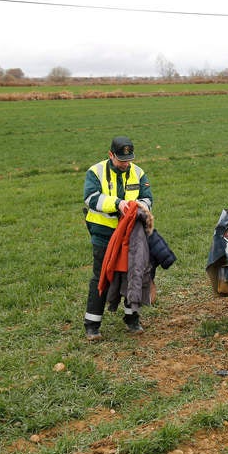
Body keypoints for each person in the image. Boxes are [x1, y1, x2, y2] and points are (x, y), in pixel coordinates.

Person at [83, 136, 153, 341]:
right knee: (101, 277)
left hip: (131, 235)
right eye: (121, 160)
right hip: (103, 234)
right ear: (110, 155)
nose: (126, 164)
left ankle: (132, 319)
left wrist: (139, 207)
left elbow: (148, 198)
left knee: (134, 275)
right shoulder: (95, 172)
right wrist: (118, 204)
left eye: (129, 159)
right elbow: (91, 198)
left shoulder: (138, 172)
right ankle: (92, 325)